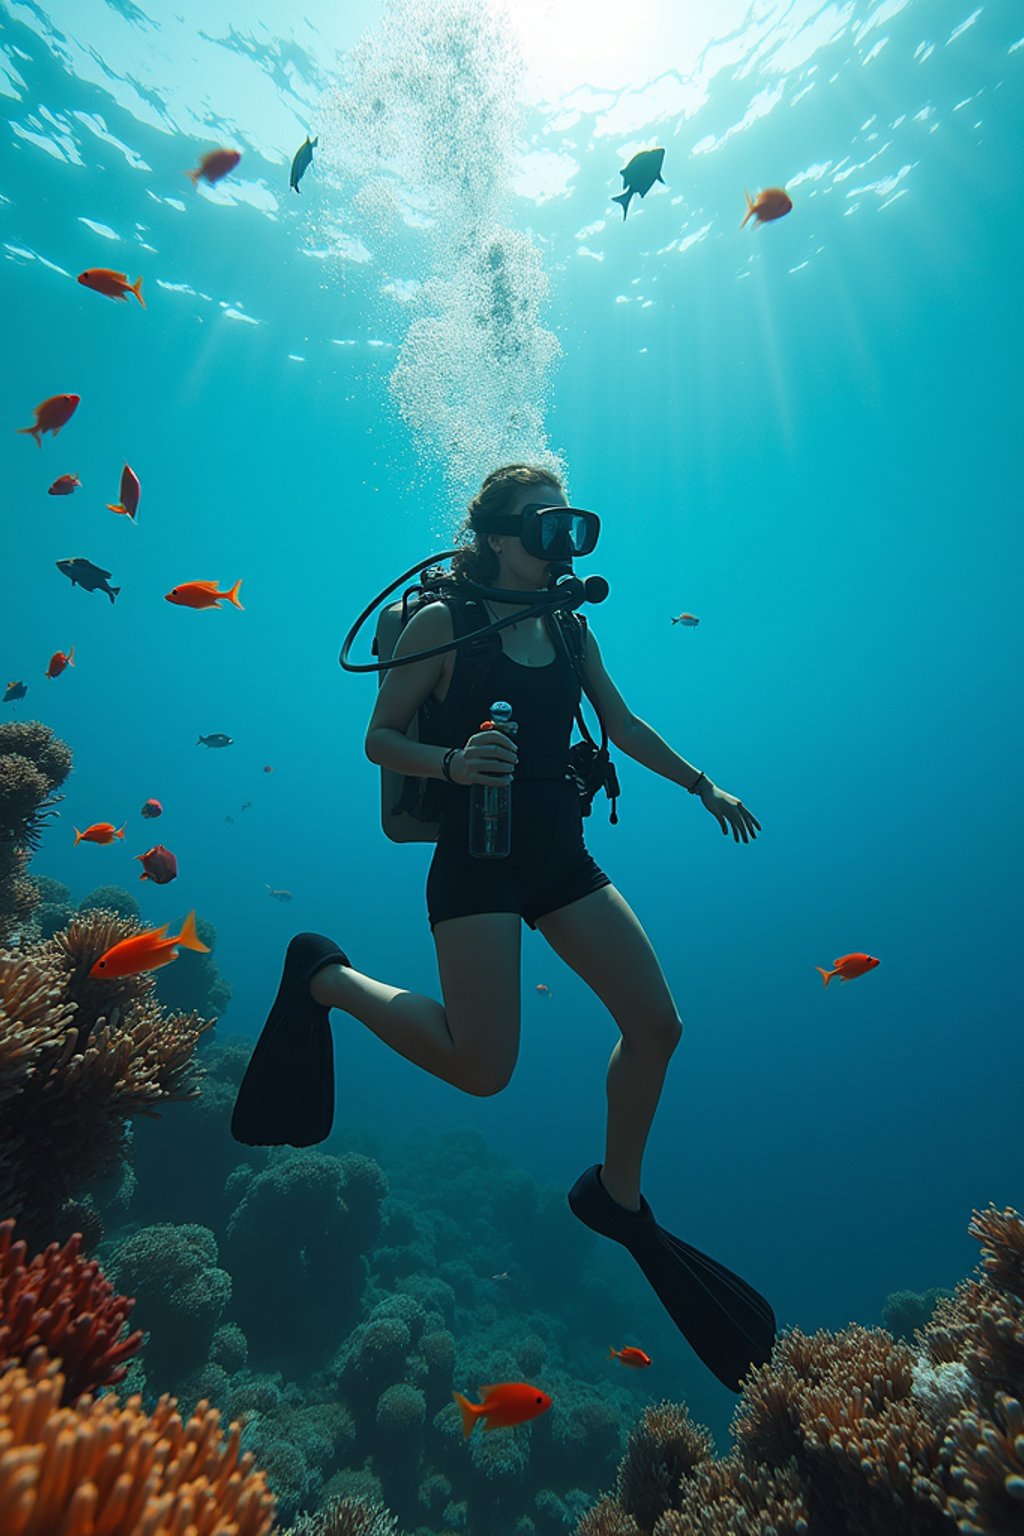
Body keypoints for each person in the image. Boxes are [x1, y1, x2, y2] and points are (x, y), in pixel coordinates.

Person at [232, 463, 776, 1390]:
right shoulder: (445, 623)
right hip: (476, 861)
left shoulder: (570, 625)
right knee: (483, 1071)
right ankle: (325, 976)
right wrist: (452, 763)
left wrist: (702, 785)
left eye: (570, 525)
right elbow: (379, 737)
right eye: (543, 525)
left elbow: (623, 722)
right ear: (492, 535)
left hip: (561, 859)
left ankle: (616, 1195)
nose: (561, 542)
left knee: (658, 1027)